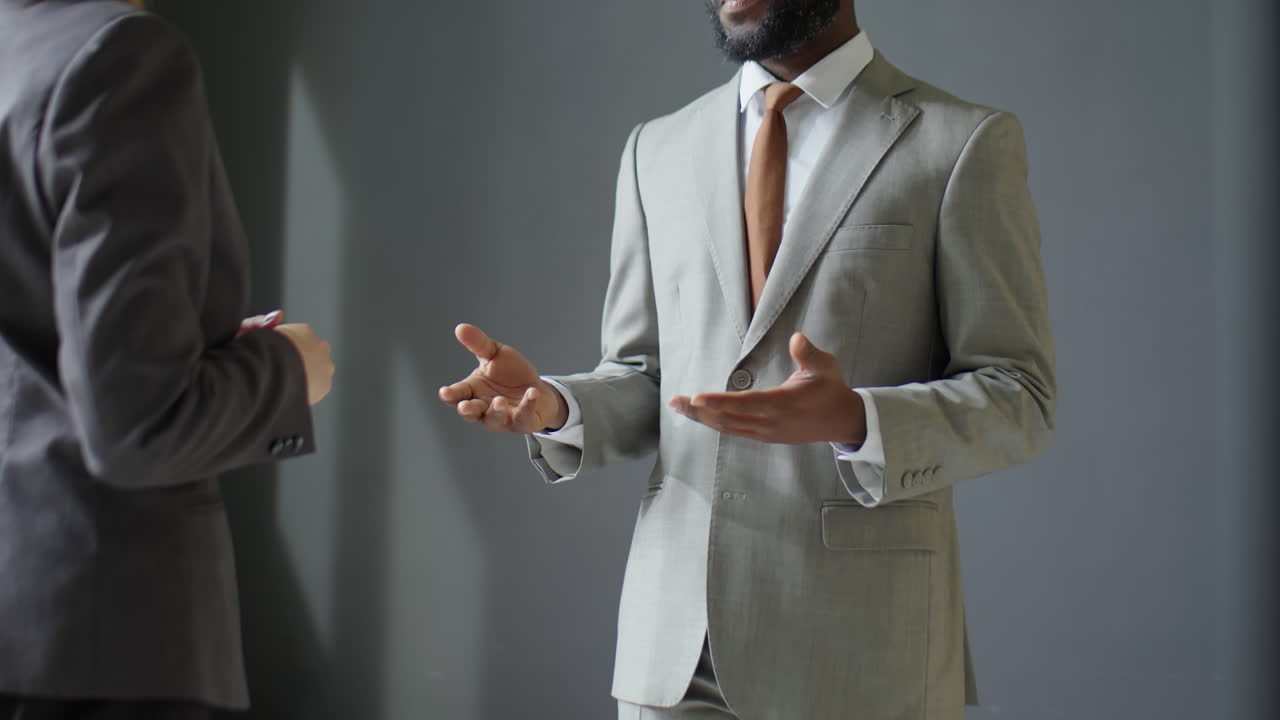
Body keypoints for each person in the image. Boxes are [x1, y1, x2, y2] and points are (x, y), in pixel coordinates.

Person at [440, 0, 1055, 717]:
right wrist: (557, 406)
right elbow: (648, 378)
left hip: (862, 651)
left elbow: (1021, 395)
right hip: (673, 647)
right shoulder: (656, 150)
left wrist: (859, 418)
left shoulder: (961, 142)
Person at [0, 0, 335, 717]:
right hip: (107, 645)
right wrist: (289, 372)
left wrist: (185, 345)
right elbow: (137, 429)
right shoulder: (113, 56)